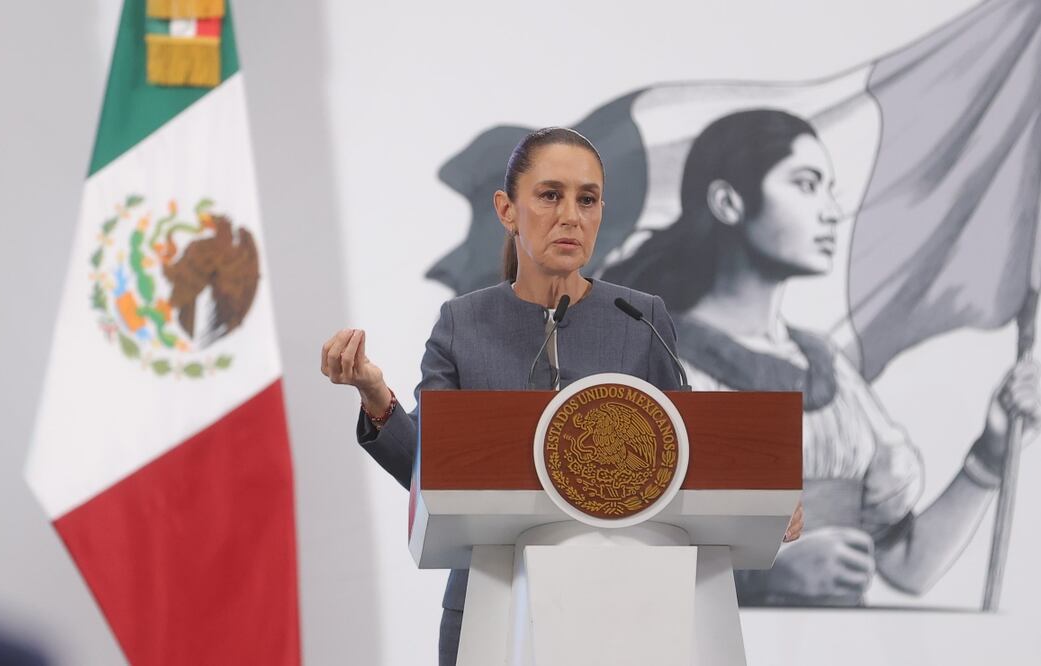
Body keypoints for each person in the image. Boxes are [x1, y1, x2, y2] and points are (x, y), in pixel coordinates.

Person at [322, 127, 736, 664]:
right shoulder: (462, 324)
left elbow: (687, 460)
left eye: (587, 199)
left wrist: (767, 497)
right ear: (507, 210)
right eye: (549, 195)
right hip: (490, 604)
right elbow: (429, 473)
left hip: (628, 608)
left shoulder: (640, 319)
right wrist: (375, 396)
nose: (571, 215)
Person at [603, 108, 1040, 606]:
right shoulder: (649, 358)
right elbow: (604, 561)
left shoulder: (826, 367)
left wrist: (991, 452)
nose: (832, 211)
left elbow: (906, 566)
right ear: (728, 202)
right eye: (807, 185)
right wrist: (758, 576)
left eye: (830, 189)